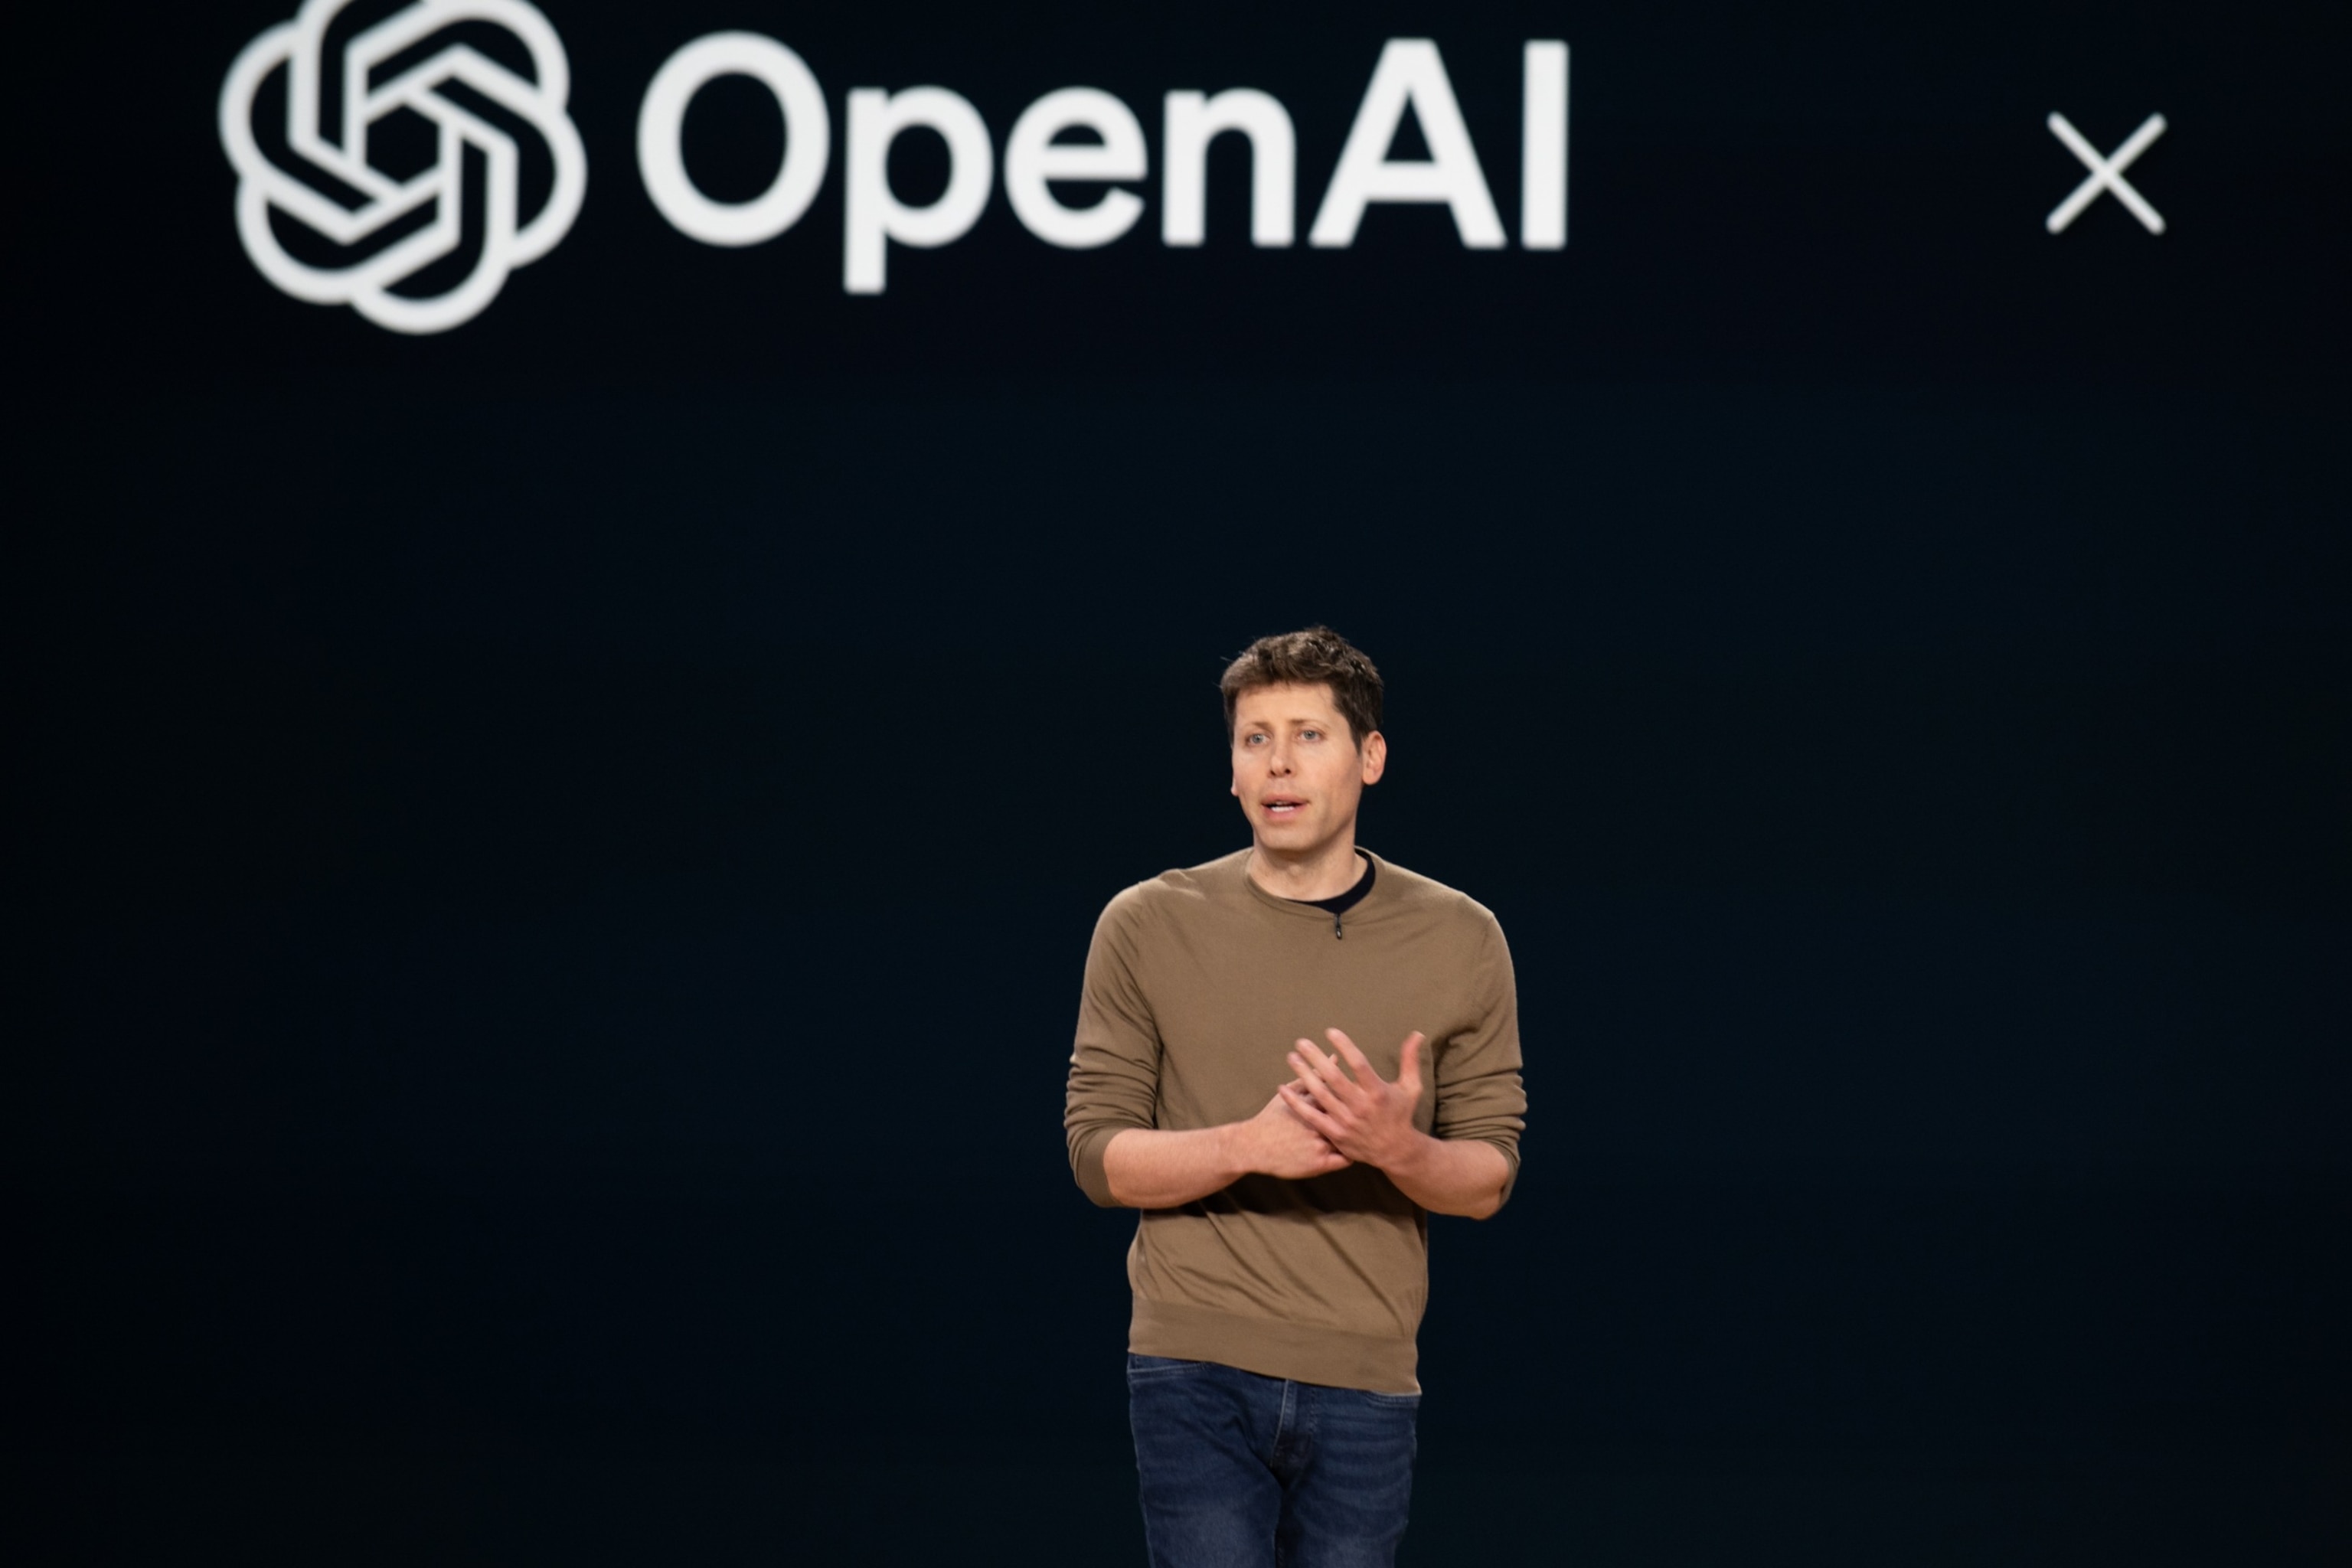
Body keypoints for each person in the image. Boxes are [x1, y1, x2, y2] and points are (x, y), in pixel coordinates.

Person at [1064, 626, 1527, 1568]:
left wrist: (1400, 1148)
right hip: (1189, 1361)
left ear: (1370, 757)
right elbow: (1095, 1155)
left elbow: (1487, 1176)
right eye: (1254, 737)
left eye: (1309, 735)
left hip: (1366, 1374)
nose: (1279, 761)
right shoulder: (1146, 922)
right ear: (1231, 769)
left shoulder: (1462, 935)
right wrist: (1247, 1143)